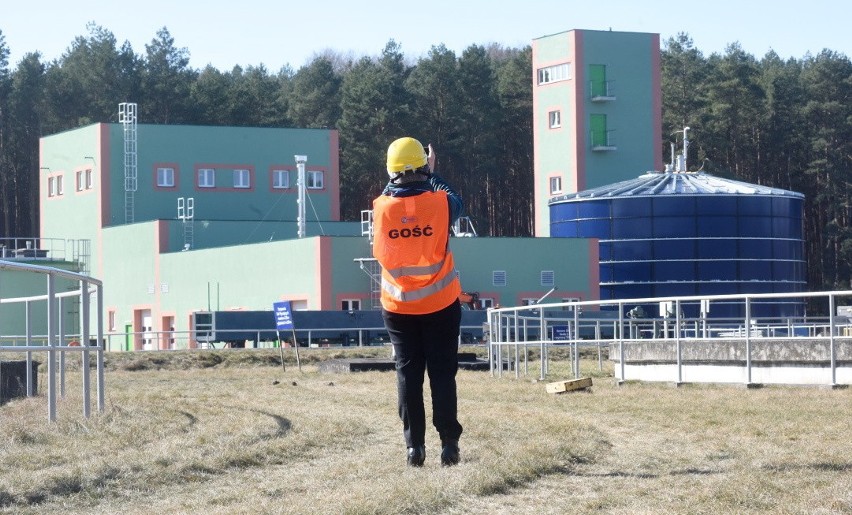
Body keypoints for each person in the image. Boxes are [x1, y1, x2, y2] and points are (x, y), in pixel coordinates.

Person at [372, 136, 464, 467]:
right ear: (425, 168)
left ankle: (414, 448)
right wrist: (431, 172)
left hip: (398, 308)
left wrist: (405, 173)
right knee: (442, 374)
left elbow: (391, 190)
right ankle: (449, 444)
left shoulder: (380, 208)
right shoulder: (441, 203)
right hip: (441, 304)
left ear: (390, 171)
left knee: (408, 374)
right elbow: (455, 198)